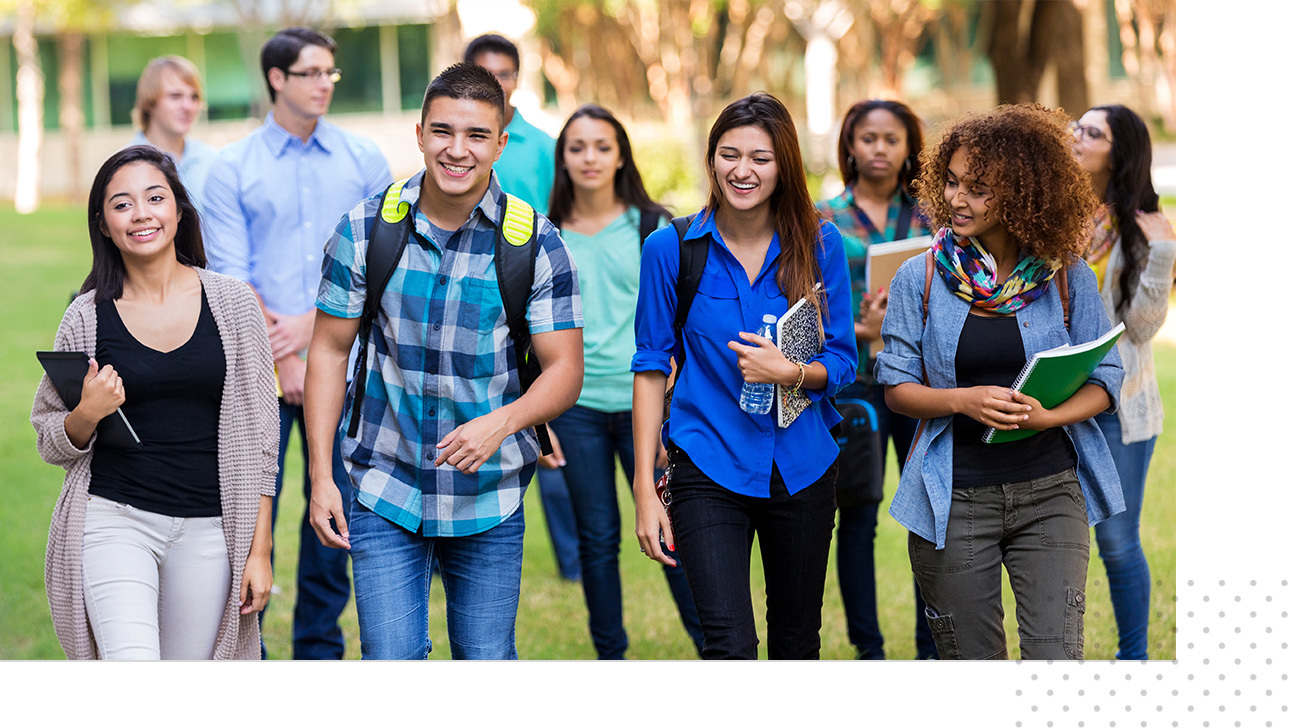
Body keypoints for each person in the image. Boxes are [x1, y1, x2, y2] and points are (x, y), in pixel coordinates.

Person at [303, 62, 584, 660]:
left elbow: (564, 370)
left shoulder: (536, 243)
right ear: (420, 133)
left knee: (485, 663)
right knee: (390, 660)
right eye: (443, 132)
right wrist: (321, 478)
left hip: (489, 493)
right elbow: (329, 351)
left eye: (477, 136)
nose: (457, 151)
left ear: (502, 142)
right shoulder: (365, 228)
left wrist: (501, 423)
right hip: (384, 483)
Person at [877, 104, 1126, 660]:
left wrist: (1049, 416)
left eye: (979, 188)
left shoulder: (1066, 276)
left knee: (1057, 659)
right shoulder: (917, 278)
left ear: (1021, 193)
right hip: (954, 497)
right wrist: (963, 401)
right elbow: (896, 387)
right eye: (952, 182)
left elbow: (1106, 377)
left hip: (1050, 492)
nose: (957, 199)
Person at [631, 92, 857, 659]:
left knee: (796, 644)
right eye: (728, 155)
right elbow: (651, 365)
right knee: (728, 646)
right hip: (706, 464)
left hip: (803, 465)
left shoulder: (820, 243)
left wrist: (792, 371)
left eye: (760, 157)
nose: (742, 170)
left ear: (784, 165)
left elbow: (844, 360)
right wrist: (642, 485)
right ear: (710, 162)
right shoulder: (671, 248)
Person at [32, 145, 278, 660]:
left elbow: (261, 440)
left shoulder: (233, 303)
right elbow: (51, 436)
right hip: (114, 518)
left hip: (210, 528)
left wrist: (260, 549)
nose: (141, 214)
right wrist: (87, 412)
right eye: (122, 205)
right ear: (103, 224)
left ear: (179, 209)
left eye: (155, 198)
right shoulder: (86, 316)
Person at [203, 26, 392, 660]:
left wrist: (313, 336)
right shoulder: (231, 167)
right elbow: (230, 274)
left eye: (330, 74)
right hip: (255, 374)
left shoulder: (365, 160)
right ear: (277, 78)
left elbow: (379, 262)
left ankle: (318, 653)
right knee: (245, 519)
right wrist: (283, 357)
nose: (325, 85)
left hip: (344, 367)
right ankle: (243, 652)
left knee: (331, 516)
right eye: (312, 73)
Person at [545, 103, 703, 658]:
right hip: (576, 406)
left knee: (670, 530)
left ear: (620, 156)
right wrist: (542, 422)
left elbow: (681, 324)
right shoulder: (544, 233)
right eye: (578, 147)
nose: (590, 158)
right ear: (563, 158)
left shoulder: (652, 226)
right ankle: (611, 657)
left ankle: (716, 650)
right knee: (597, 539)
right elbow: (525, 331)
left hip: (649, 403)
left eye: (602, 146)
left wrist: (669, 416)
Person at [815, 98, 936, 660]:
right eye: (868, 138)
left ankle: (931, 646)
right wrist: (859, 329)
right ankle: (869, 650)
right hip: (855, 385)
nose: (880, 149)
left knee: (928, 513)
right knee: (857, 514)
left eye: (892, 138)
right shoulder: (824, 219)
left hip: (923, 382)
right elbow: (804, 303)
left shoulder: (934, 217)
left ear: (909, 146)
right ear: (850, 145)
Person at [464, 32, 579, 582]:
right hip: (473, 304)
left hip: (532, 298)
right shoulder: (456, 142)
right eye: (484, 72)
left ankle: (571, 561)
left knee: (543, 423)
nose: (497, 82)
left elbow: (561, 217)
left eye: (505, 73)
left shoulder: (542, 145)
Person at [1071, 104, 1176, 661]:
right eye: (1076, 127)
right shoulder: (1057, 214)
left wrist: (1162, 256)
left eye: (1093, 132)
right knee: (1059, 544)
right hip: (1051, 403)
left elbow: (1140, 328)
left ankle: (1133, 660)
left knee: (1115, 541)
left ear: (1121, 150)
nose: (1077, 137)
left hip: (1118, 408)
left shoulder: (1143, 231)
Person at [129, 55, 219, 211]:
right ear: (150, 102)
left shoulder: (213, 161)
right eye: (175, 96)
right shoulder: (124, 165)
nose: (188, 106)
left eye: (194, 97)